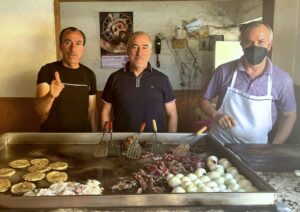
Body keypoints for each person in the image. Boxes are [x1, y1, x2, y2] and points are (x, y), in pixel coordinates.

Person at [199, 21, 297, 144]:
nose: (255, 47)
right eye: (248, 42)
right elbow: (203, 100)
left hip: (258, 150)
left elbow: (289, 115)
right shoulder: (224, 71)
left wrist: (275, 146)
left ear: (269, 45)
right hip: (220, 143)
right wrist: (216, 115)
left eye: (261, 42)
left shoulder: (282, 80)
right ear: (241, 45)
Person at [101, 31, 178, 132]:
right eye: (135, 47)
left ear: (150, 51)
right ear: (127, 50)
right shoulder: (114, 78)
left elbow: (172, 114)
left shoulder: (162, 79)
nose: (139, 53)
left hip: (154, 143)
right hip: (121, 142)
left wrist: (170, 142)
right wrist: (106, 138)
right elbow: (105, 111)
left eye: (144, 47)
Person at [34, 27, 98, 132]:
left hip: (81, 138)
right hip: (52, 138)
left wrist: (95, 138)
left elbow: (92, 111)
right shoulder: (47, 70)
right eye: (68, 42)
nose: (73, 49)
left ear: (83, 48)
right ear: (60, 46)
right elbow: (39, 110)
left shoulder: (89, 74)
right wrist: (50, 95)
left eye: (78, 43)